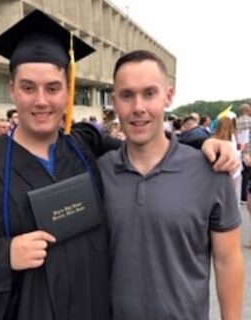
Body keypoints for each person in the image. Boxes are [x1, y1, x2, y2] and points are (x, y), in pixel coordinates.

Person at [0, 10, 241, 320]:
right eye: (29, 87)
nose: (41, 100)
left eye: (53, 88)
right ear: (13, 90)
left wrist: (204, 144)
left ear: (68, 92)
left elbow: (145, 144)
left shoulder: (84, 146)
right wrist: (3, 256)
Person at [98, 50, 245, 320]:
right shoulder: (99, 172)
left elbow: (227, 260)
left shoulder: (210, 171)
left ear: (168, 96)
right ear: (115, 101)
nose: (138, 107)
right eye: (127, 95)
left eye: (149, 93)